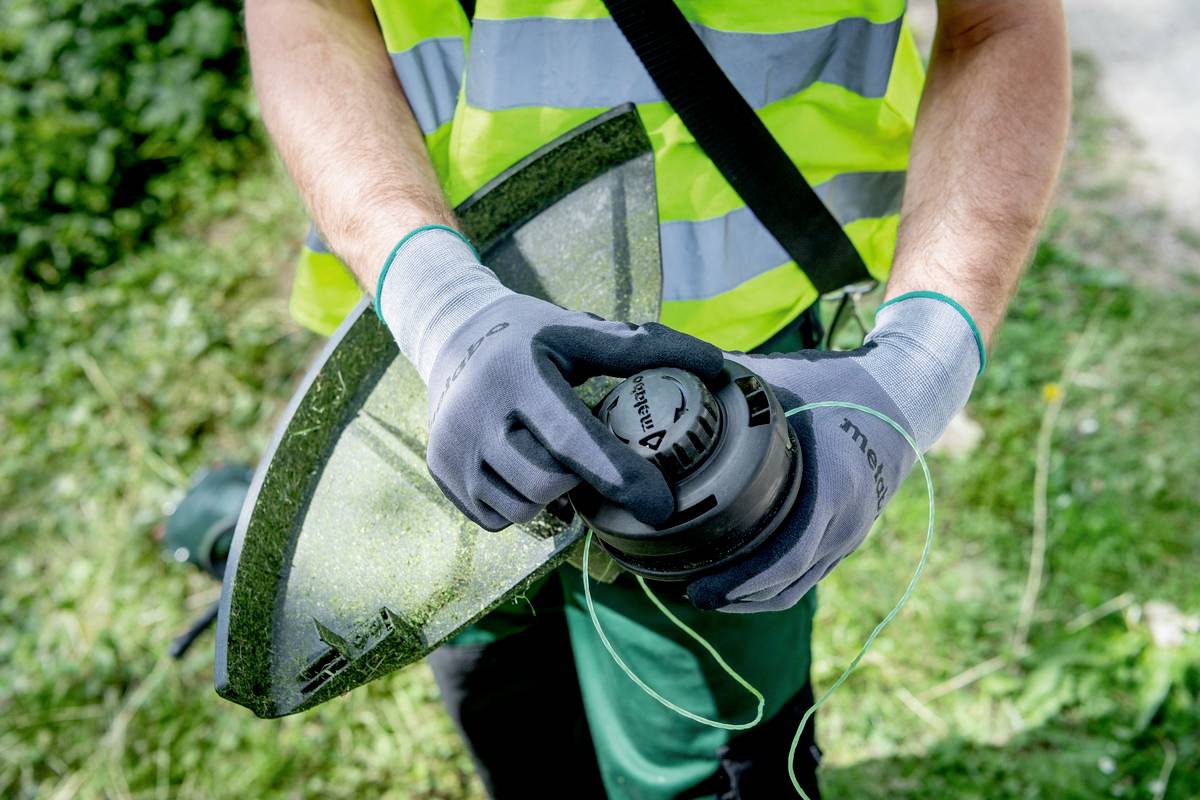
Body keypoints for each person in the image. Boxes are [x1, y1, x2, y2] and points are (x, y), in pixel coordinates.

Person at [244, 0, 1069, 796]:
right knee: (507, 701)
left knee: (706, 758)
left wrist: (918, 370)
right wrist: (439, 304)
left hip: (736, 378)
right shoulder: (432, 320)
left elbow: (999, 23)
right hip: (427, 348)